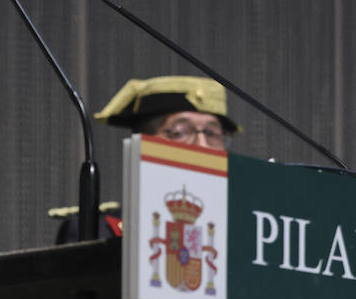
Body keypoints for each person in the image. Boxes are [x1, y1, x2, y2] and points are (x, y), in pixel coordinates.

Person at [51, 75, 238, 243]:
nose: (202, 146)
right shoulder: (99, 230)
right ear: (143, 143)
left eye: (212, 133)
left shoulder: (246, 231)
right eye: (180, 132)